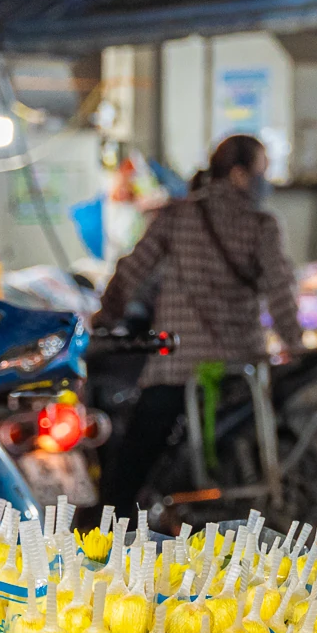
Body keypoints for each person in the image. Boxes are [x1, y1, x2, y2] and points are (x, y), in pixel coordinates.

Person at [95, 134, 299, 519]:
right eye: (261, 172)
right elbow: (280, 290)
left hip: (178, 364)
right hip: (242, 367)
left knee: (133, 460)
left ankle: (110, 531)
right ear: (239, 175)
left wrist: (105, 318)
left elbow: (131, 270)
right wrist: (293, 341)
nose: (264, 181)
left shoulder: (177, 216)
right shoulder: (262, 224)